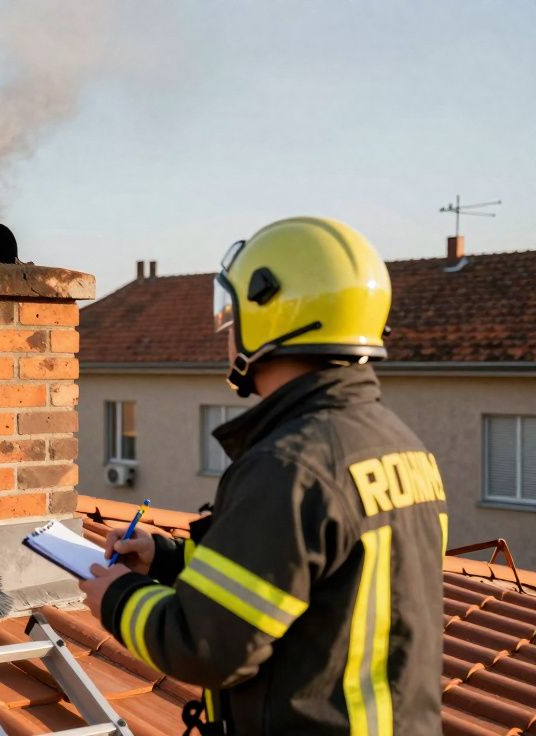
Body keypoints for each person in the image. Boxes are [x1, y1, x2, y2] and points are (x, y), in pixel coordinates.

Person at [80, 217, 447, 735]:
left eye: (233, 318)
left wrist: (116, 598)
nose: (228, 334)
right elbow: (304, 570)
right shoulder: (400, 444)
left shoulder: (290, 467)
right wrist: (164, 557)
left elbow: (205, 646)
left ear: (269, 315)